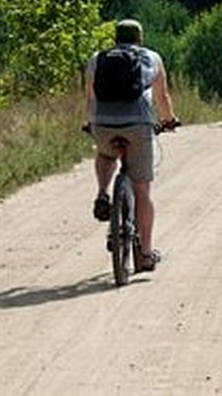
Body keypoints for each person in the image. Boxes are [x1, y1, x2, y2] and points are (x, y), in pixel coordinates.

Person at [86, 19, 178, 273]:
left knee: (105, 153)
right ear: (140, 38)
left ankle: (104, 192)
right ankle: (146, 254)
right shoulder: (151, 58)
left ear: (115, 38)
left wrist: (91, 122)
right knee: (142, 192)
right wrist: (169, 121)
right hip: (137, 125)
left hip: (102, 122)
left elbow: (90, 95)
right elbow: (162, 97)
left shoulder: (97, 58)